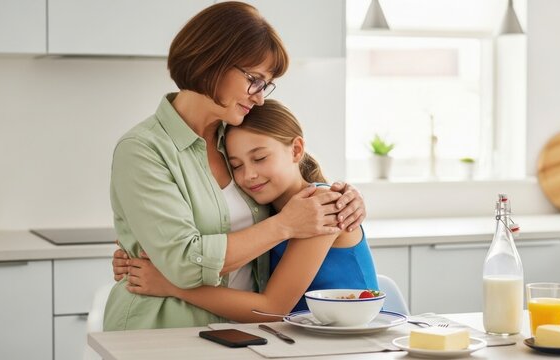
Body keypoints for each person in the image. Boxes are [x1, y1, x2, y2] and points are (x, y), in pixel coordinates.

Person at [104, 1, 366, 331]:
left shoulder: (239, 136)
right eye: (254, 80)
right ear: (212, 61)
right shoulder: (143, 150)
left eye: (266, 84)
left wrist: (347, 199)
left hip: (243, 332)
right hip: (163, 331)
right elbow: (184, 263)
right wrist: (285, 225)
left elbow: (293, 180)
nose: (259, 97)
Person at [119, 99, 379, 323]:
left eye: (260, 158)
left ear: (296, 149)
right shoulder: (268, 211)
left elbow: (272, 308)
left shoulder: (321, 205)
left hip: (354, 341)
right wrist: (137, 255)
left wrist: (173, 286)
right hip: (304, 341)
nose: (249, 175)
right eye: (236, 165)